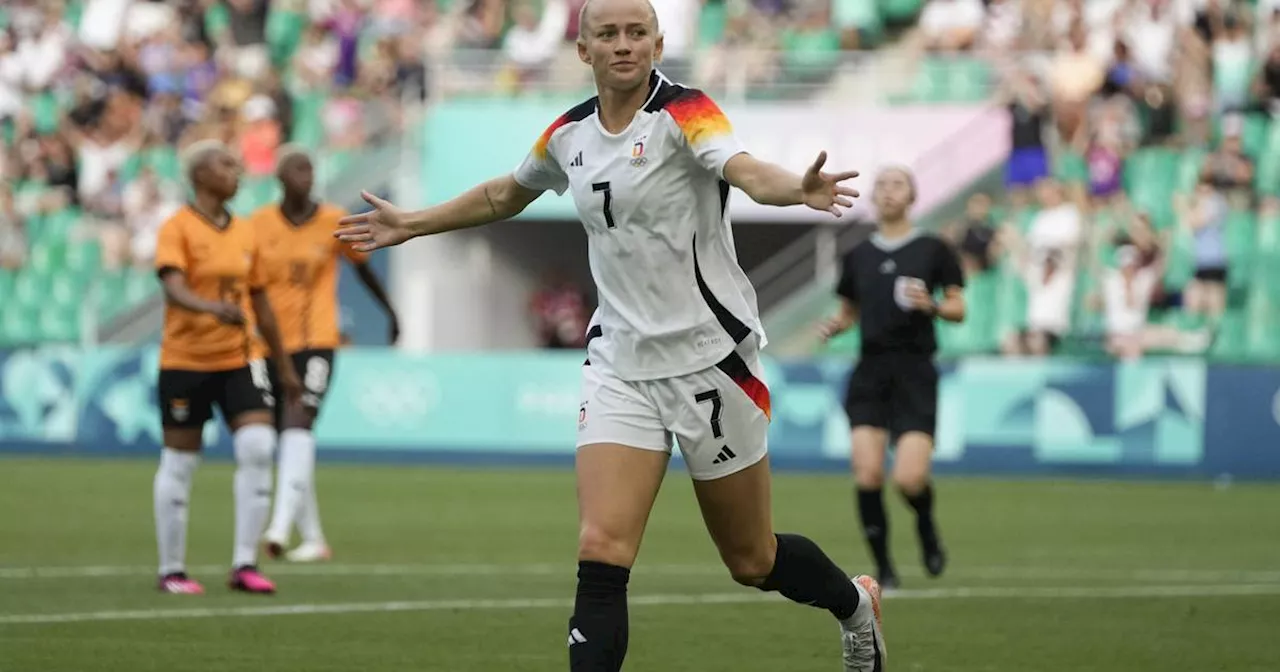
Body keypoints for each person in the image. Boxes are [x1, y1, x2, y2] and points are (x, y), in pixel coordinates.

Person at [334, 0, 887, 668]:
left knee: (752, 558)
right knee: (601, 546)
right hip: (619, 362)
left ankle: (855, 607)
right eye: (607, 34)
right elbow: (505, 196)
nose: (624, 45)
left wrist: (794, 190)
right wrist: (413, 223)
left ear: (656, 43)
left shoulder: (688, 113)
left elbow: (744, 169)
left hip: (712, 364)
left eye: (636, 34)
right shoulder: (567, 135)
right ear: (582, 50)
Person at [152, 140, 302, 595]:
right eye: (225, 164)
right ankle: (172, 570)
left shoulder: (245, 232)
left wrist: (285, 366)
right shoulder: (177, 228)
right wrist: (210, 308)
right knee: (180, 461)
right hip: (185, 361)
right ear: (200, 176)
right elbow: (173, 287)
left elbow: (261, 301)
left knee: (258, 446)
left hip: (240, 357)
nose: (236, 170)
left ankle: (244, 564)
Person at [819, 166, 966, 590]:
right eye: (880, 185)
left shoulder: (933, 248)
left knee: (909, 478)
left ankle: (925, 523)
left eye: (896, 184)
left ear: (913, 196)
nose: (887, 192)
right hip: (870, 370)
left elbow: (959, 308)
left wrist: (933, 307)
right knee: (867, 474)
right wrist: (837, 326)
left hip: (915, 371)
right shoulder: (858, 254)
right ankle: (883, 568)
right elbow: (849, 311)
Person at [254, 147, 400, 563]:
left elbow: (364, 268)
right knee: (287, 437)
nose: (307, 175)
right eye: (298, 168)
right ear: (280, 177)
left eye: (310, 168)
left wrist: (390, 312)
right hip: (270, 344)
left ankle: (279, 527)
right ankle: (314, 538)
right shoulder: (259, 225)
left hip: (318, 341)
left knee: (299, 420)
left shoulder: (332, 220)